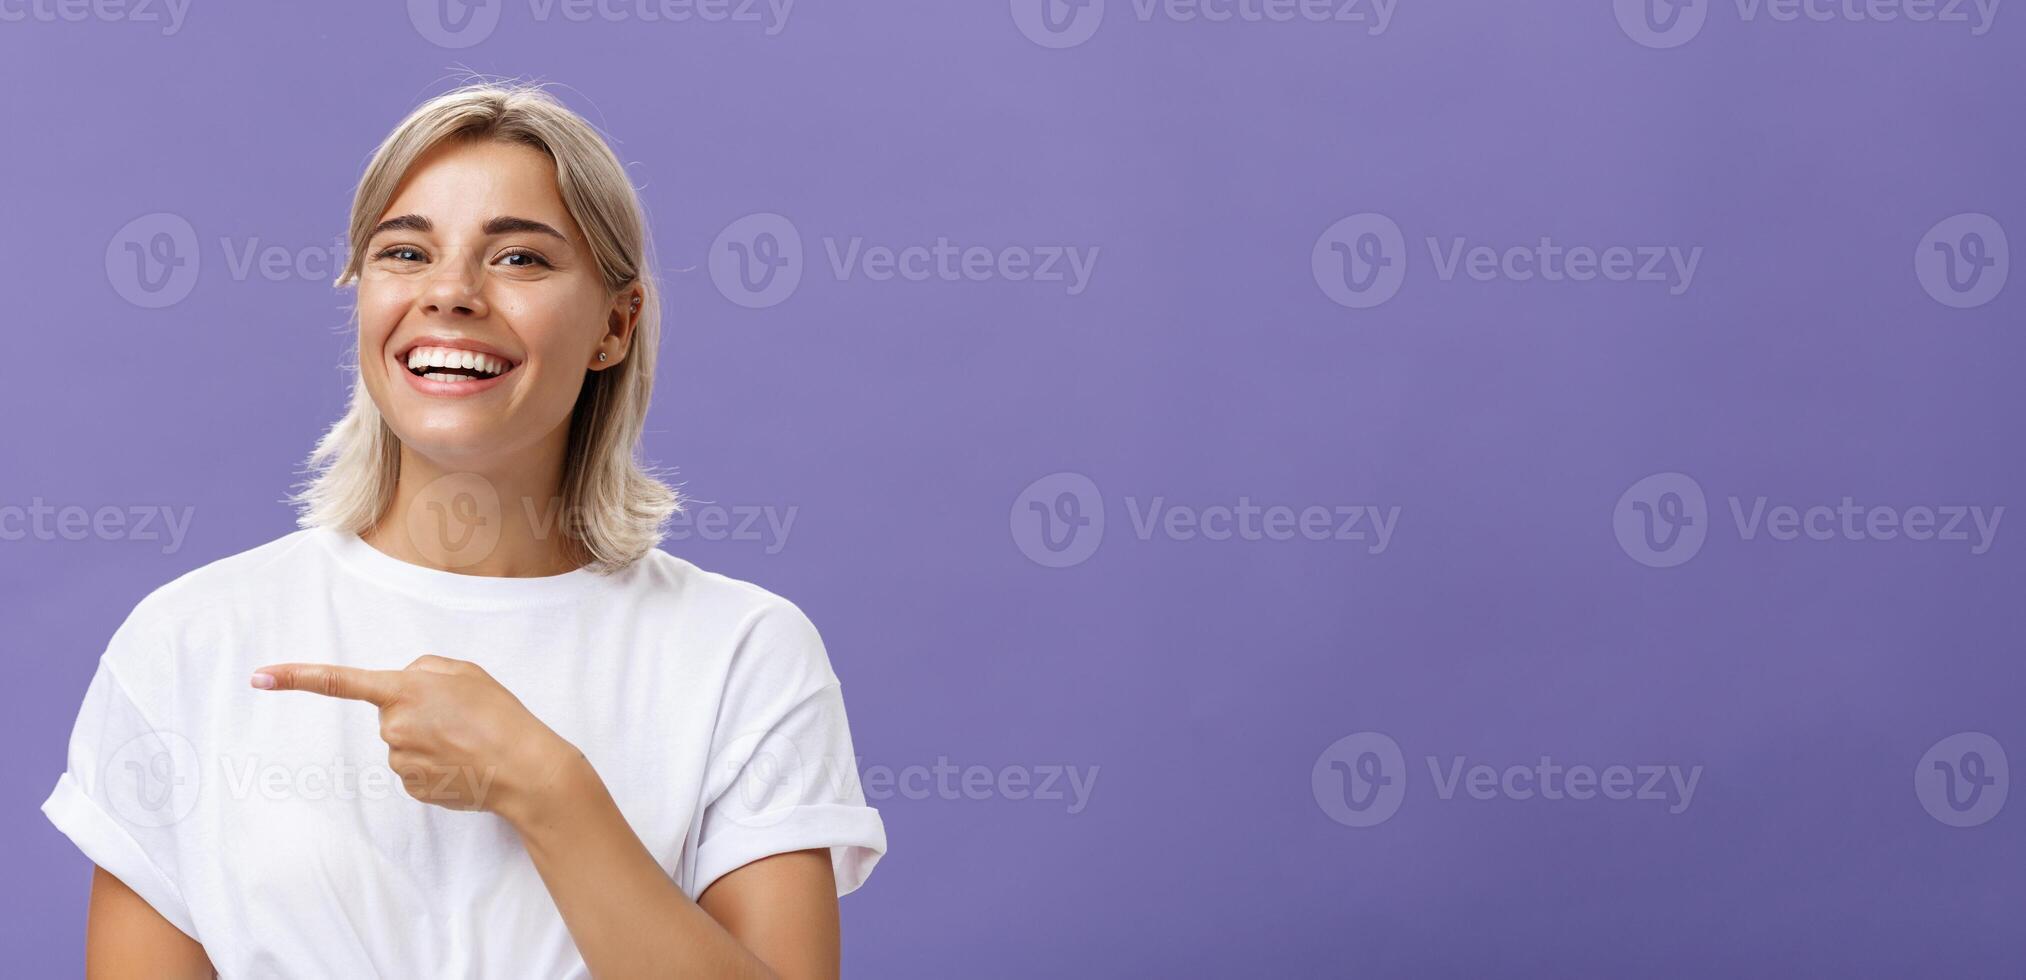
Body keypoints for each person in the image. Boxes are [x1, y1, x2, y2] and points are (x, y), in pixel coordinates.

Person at [41, 80, 886, 979]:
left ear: (616, 323)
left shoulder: (744, 655)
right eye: (404, 252)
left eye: (519, 259)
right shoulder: (190, 642)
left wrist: (547, 789)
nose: (451, 292)